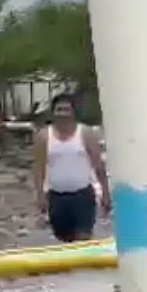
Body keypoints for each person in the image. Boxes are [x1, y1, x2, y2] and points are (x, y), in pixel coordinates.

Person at [33, 93, 110, 242]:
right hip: (56, 197)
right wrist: (40, 196)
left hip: (83, 195)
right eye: (59, 109)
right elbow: (39, 169)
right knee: (65, 239)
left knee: (83, 237)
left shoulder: (86, 133)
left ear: (74, 112)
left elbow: (98, 165)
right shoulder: (44, 136)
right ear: (53, 112)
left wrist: (105, 193)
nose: (63, 114)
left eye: (67, 109)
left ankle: (83, 263)